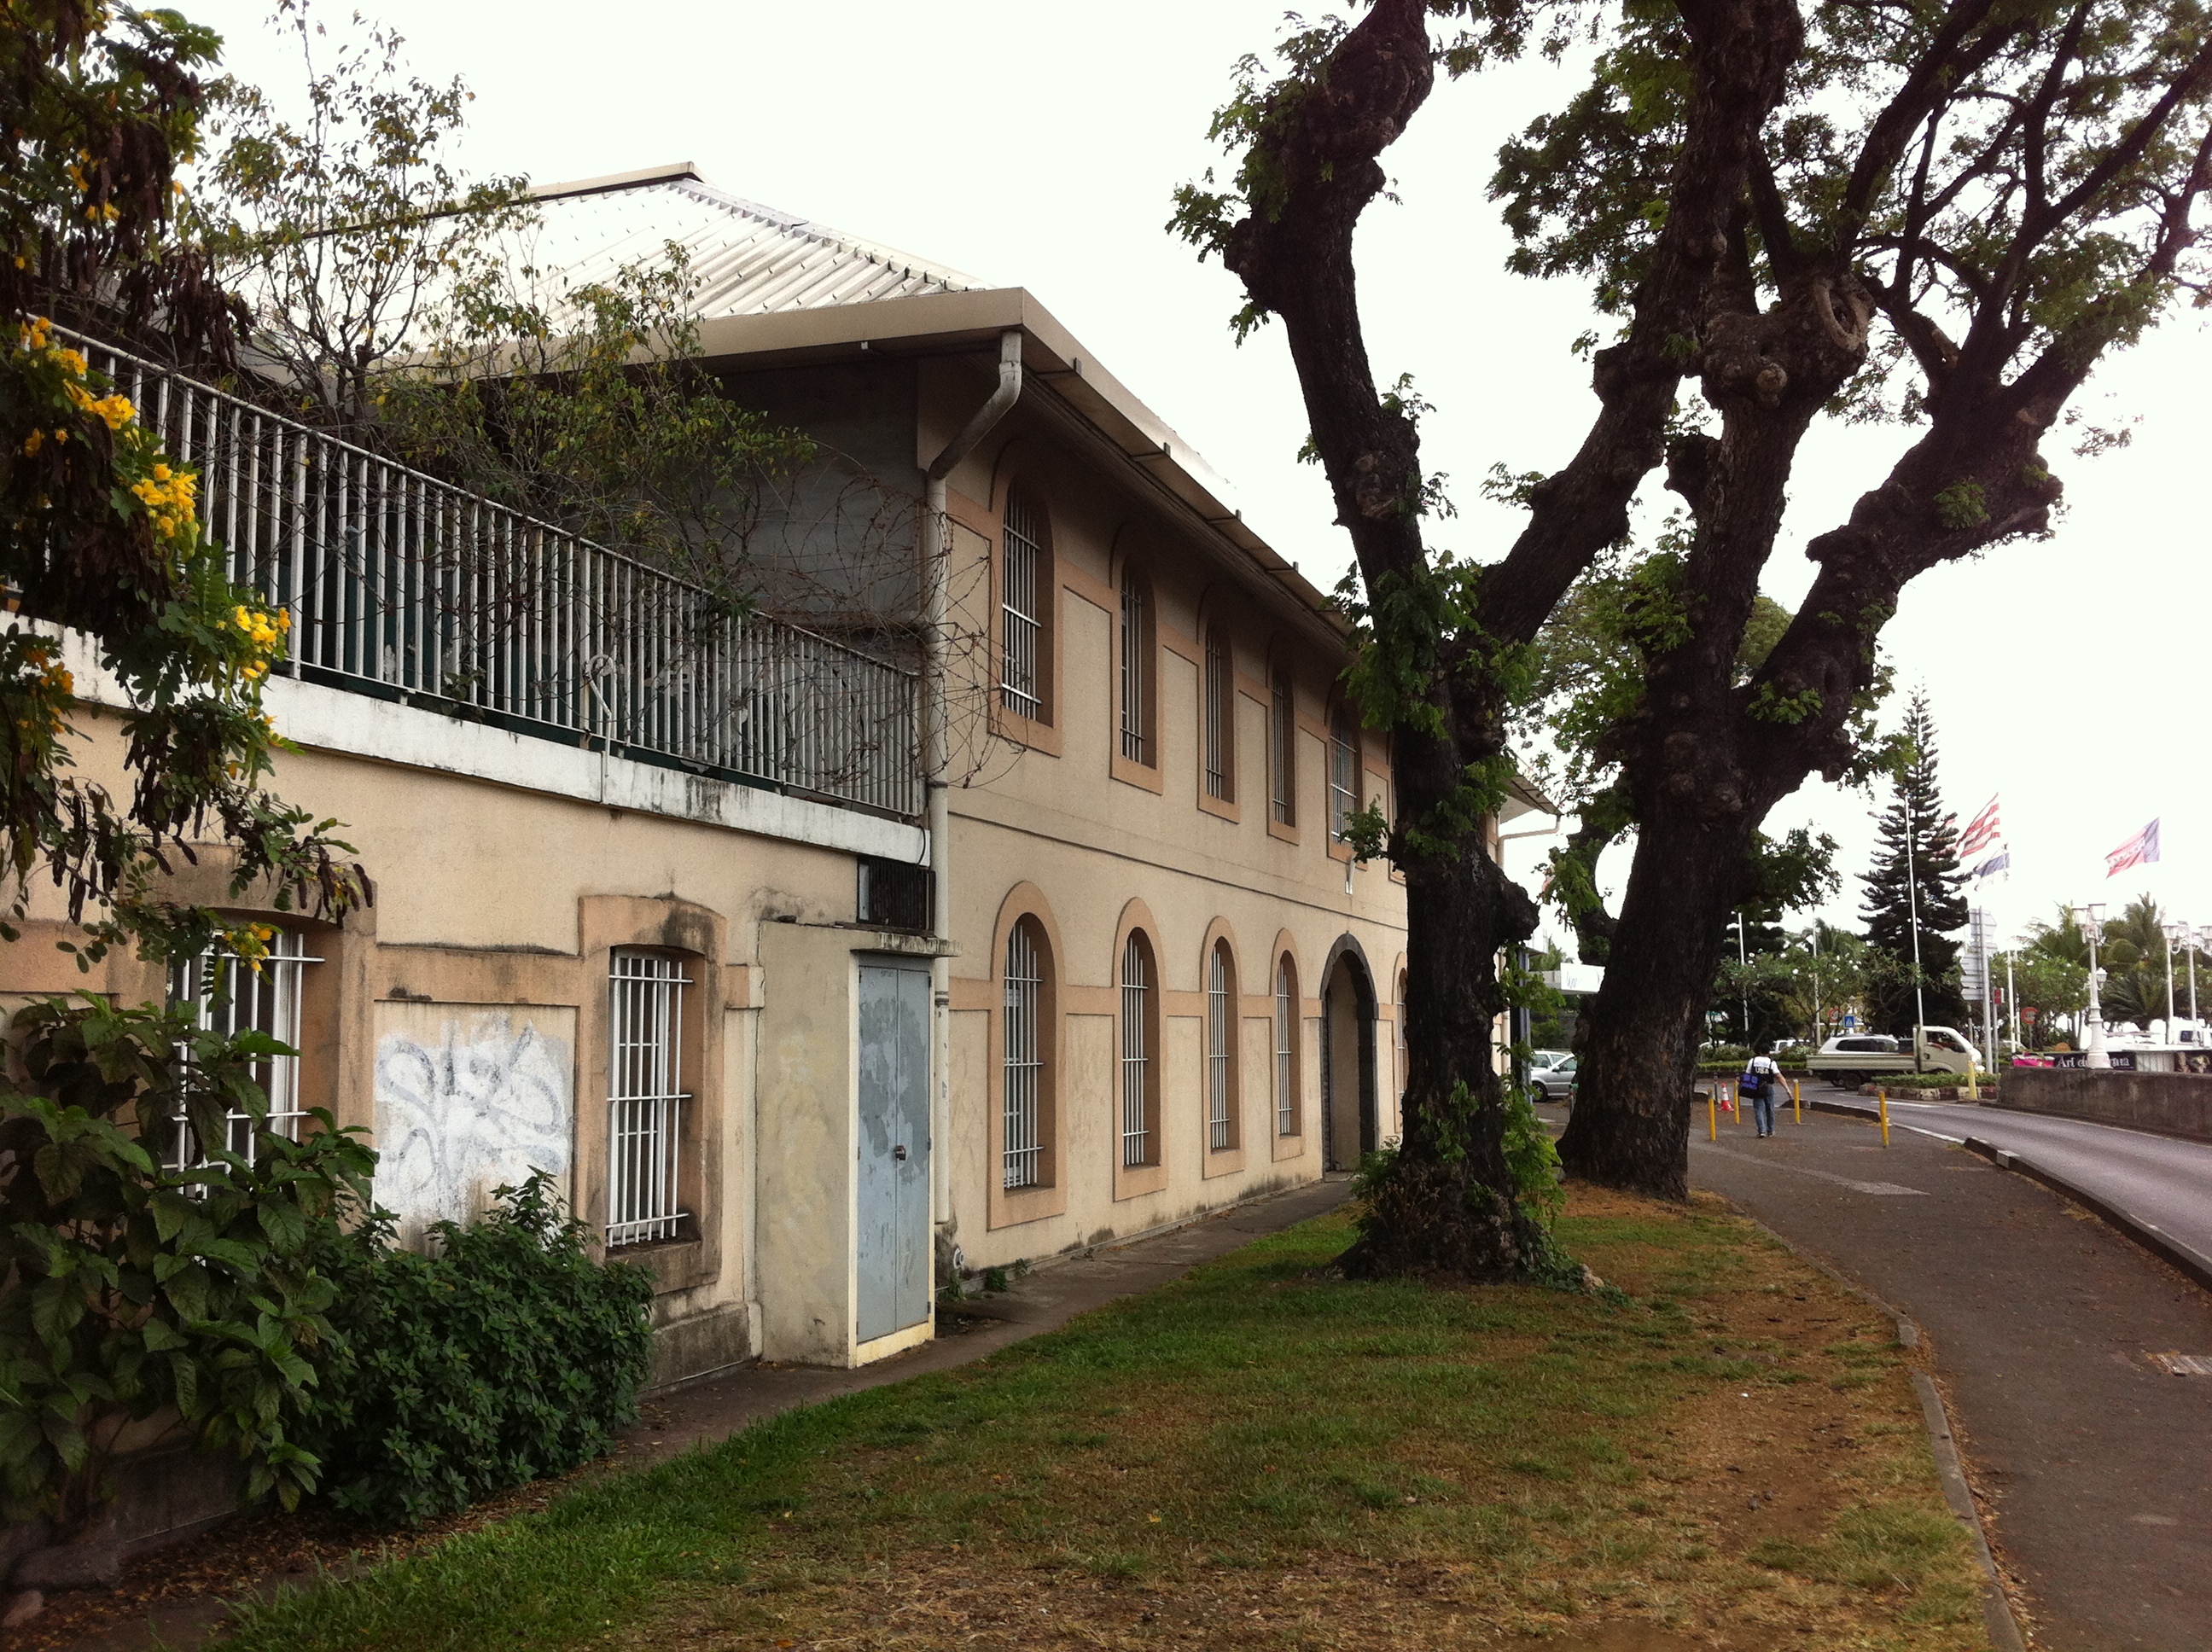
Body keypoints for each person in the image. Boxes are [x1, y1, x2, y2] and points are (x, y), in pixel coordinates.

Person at [1746, 1047, 1782, 1137]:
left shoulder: (1753, 1061)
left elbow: (1748, 1074)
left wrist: (1746, 1087)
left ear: (1760, 1051)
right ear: (1769, 1053)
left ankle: (1761, 1131)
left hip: (1756, 1086)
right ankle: (1770, 1130)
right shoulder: (1771, 1062)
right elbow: (1778, 1075)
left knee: (1759, 1109)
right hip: (1768, 1086)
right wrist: (1787, 1089)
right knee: (1770, 1109)